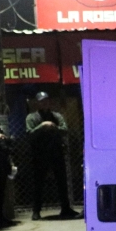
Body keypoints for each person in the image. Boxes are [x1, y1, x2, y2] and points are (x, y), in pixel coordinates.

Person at [25, 92, 78, 220]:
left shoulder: (56, 116)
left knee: (62, 181)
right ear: (37, 103)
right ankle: (36, 211)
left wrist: (53, 127)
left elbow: (64, 130)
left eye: (47, 100)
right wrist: (42, 126)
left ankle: (65, 208)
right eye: (42, 101)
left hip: (56, 152)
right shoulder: (31, 117)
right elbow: (29, 134)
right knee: (38, 183)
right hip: (40, 154)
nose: (45, 103)